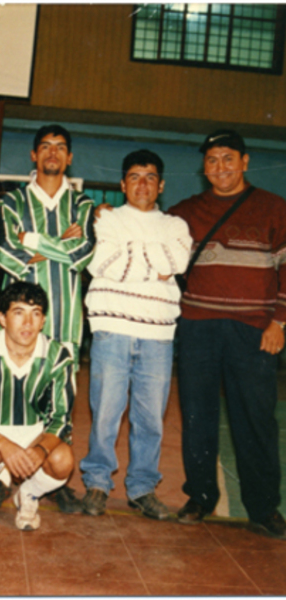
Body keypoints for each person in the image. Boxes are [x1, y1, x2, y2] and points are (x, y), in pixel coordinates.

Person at [169, 129, 286, 539]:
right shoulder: (184, 211)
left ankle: (263, 507)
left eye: (228, 158)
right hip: (198, 326)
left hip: (254, 330)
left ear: (245, 161)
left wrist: (280, 322)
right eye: (213, 160)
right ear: (204, 167)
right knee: (197, 416)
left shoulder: (274, 209)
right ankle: (199, 496)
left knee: (255, 420)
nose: (220, 167)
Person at [79, 150, 192, 519]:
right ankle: (97, 483)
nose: (141, 184)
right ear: (122, 183)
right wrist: (153, 262)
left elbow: (175, 263)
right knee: (105, 413)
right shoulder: (106, 219)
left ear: (160, 184)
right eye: (134, 177)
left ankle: (142, 489)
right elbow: (101, 263)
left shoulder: (176, 226)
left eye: (149, 177)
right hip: (112, 328)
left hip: (158, 334)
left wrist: (131, 253)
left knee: (150, 419)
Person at [0, 124, 96, 512]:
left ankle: (52, 481)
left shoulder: (84, 206)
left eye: (61, 147)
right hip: (20, 321)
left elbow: (82, 255)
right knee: (11, 393)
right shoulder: (9, 203)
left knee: (61, 403)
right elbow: (5, 252)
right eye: (45, 147)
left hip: (66, 321)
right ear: (34, 156)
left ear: (69, 158)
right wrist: (60, 243)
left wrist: (32, 240)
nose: (53, 153)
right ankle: (4, 476)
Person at [0, 281, 75, 530]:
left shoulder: (58, 356)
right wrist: (4, 446)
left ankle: (29, 494)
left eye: (36, 314)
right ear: (2, 318)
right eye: (18, 313)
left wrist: (40, 450)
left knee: (63, 460)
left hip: (35, 434)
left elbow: (61, 418)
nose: (28, 323)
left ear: (43, 321)